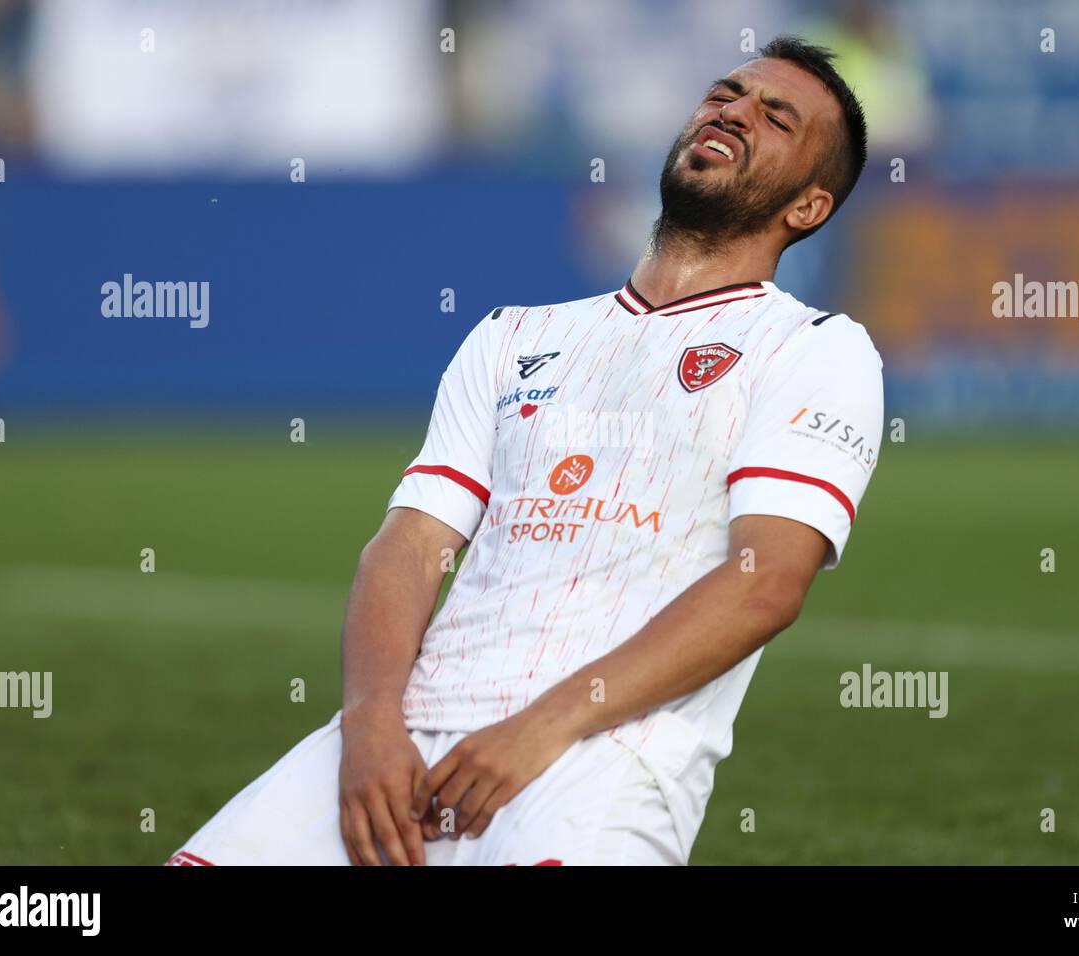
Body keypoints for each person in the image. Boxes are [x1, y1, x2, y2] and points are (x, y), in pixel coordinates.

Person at [169, 35, 882, 867]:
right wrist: (367, 727)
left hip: (603, 760)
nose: (733, 111)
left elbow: (766, 586)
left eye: (776, 118)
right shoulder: (514, 337)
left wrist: (541, 726)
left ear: (808, 207)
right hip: (399, 744)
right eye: (725, 93)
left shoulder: (815, 350)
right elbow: (409, 544)